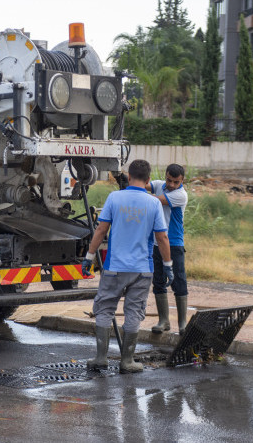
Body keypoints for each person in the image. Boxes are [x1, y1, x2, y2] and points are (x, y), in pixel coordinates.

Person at [81, 159, 174, 374]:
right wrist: (168, 265)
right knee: (134, 312)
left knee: (104, 309)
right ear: (149, 180)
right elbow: (162, 237)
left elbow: (101, 230)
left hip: (114, 267)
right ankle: (127, 361)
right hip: (142, 270)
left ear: (129, 176)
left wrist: (89, 256)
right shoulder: (153, 203)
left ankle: (100, 358)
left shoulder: (115, 197)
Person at [147, 164, 189, 335]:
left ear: (182, 180)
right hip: (157, 243)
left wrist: (137, 191)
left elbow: (155, 201)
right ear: (165, 176)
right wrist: (126, 178)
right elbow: (143, 184)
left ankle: (182, 323)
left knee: (179, 282)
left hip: (174, 243)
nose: (171, 184)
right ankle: (164, 321)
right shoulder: (159, 185)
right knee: (158, 281)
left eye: (176, 182)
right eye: (169, 180)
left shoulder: (181, 195)